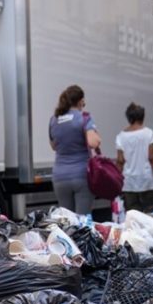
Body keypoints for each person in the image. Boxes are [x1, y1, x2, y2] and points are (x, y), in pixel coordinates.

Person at [48, 84, 100, 215]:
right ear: (80, 101)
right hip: (81, 175)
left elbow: (53, 146)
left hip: (60, 177)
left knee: (68, 221)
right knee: (82, 221)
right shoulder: (84, 118)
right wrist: (97, 137)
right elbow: (93, 142)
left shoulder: (53, 120)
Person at [115, 102, 153, 213]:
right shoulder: (148, 133)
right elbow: (152, 158)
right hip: (147, 181)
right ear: (142, 117)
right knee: (151, 214)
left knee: (133, 216)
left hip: (129, 183)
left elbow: (120, 161)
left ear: (128, 118)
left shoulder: (121, 136)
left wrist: (117, 180)